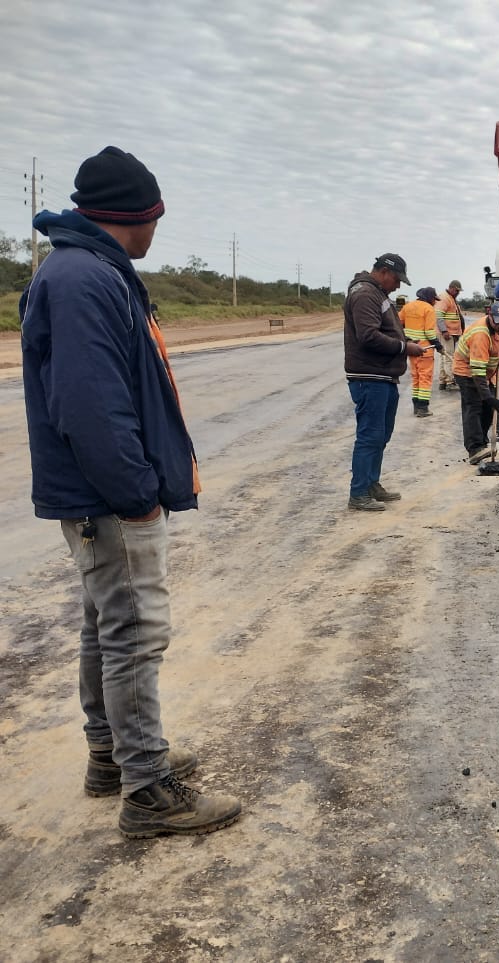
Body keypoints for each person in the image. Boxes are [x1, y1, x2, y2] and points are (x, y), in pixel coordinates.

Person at [19, 146, 240, 838]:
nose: (157, 231)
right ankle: (147, 789)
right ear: (134, 215)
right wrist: (138, 494)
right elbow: (90, 407)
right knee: (136, 633)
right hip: (109, 499)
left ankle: (111, 755)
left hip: (95, 497)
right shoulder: (85, 277)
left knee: (104, 624)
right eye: (155, 217)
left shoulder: (83, 268)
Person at [344, 252, 425, 511]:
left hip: (383, 376)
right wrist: (404, 348)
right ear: (384, 272)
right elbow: (368, 336)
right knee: (370, 436)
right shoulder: (365, 294)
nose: (399, 285)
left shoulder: (378, 294)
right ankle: (358, 493)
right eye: (397, 279)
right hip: (370, 376)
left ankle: (371, 483)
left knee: (381, 435)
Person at [454, 300, 499, 464]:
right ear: (490, 316)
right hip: (467, 372)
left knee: (487, 409)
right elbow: (477, 373)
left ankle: (483, 441)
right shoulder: (481, 334)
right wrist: (488, 397)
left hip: (485, 372)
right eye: (498, 323)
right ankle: (474, 448)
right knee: (474, 407)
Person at [399, 287, 444, 417]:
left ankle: (416, 407)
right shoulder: (428, 309)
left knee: (416, 377)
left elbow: (398, 322)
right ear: (430, 298)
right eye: (434, 299)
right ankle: (423, 408)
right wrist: (437, 345)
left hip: (411, 349)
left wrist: (407, 338)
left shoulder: (408, 307)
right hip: (425, 350)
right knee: (425, 378)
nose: (435, 302)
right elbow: (429, 332)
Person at [436, 280, 466, 389]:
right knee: (449, 356)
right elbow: (438, 316)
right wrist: (444, 331)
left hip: (451, 333)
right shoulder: (444, 298)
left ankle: (443, 381)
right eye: (457, 290)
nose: (458, 293)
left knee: (444, 356)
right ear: (451, 288)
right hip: (447, 333)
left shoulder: (451, 298)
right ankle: (450, 381)